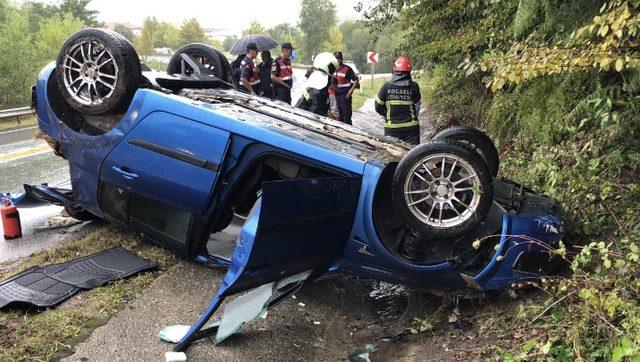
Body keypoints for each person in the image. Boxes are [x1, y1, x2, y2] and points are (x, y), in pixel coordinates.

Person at [374, 56, 422, 145]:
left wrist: (388, 115)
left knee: (391, 155)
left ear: (394, 70)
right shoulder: (414, 86)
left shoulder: (386, 87)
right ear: (409, 71)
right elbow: (417, 103)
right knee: (413, 156)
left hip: (392, 129)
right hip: (411, 129)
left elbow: (378, 107)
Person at [333, 51, 359, 125]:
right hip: (334, 96)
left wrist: (350, 91)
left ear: (341, 59)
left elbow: (356, 80)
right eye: (336, 59)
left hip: (344, 97)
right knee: (337, 117)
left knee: (346, 117)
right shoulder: (332, 68)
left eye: (339, 59)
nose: (337, 60)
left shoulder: (347, 69)